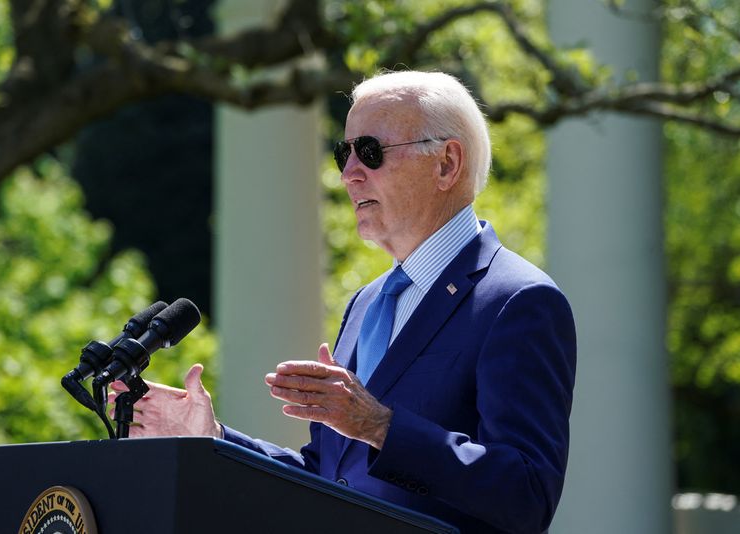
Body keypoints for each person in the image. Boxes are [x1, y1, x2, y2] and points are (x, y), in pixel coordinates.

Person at [112, 70, 576, 534]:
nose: (349, 173)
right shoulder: (366, 303)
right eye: (344, 152)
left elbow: (528, 495)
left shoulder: (517, 300)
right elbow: (327, 480)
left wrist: (381, 427)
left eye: (371, 152)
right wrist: (211, 439)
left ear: (446, 164)